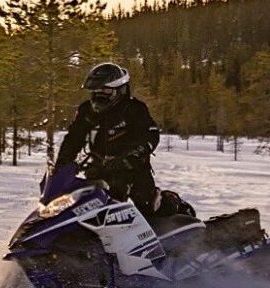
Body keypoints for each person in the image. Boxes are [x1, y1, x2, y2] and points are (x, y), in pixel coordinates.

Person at [53, 62, 195, 218]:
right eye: (96, 90)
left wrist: (133, 155)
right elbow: (74, 138)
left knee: (149, 206)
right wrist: (62, 165)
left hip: (132, 169)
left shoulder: (134, 109)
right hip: (99, 169)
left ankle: (175, 208)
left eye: (105, 90)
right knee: (86, 207)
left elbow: (150, 134)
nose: (99, 94)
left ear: (119, 90)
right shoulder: (86, 111)